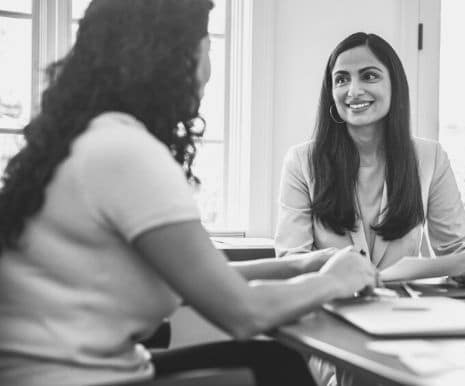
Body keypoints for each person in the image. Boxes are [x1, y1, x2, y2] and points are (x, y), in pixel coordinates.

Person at [0, 2, 379, 385]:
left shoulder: (87, 140)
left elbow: (201, 277)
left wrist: (300, 266)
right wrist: (335, 279)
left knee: (272, 361)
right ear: (173, 56)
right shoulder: (125, 152)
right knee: (275, 369)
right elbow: (245, 313)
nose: (209, 70)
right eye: (206, 46)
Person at [274, 32, 465, 386]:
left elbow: (458, 247)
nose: (353, 90)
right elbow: (291, 262)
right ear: (330, 93)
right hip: (334, 331)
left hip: (410, 325)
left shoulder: (429, 158)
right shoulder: (302, 162)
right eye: (341, 79)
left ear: (394, 85)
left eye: (369, 75)